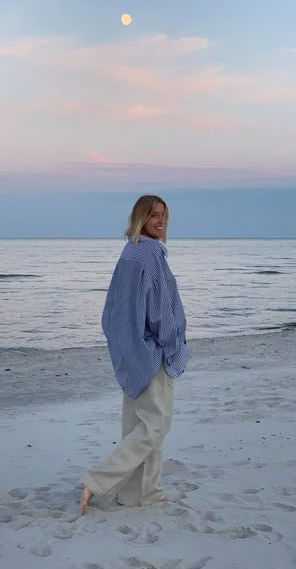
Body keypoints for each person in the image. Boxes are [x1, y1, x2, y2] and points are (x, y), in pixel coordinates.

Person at [80, 195, 190, 514]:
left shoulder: (129, 253)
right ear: (138, 217)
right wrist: (171, 346)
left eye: (163, 216)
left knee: (137, 427)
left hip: (131, 354)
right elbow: (160, 312)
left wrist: (125, 346)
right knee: (155, 426)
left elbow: (111, 312)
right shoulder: (151, 254)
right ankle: (97, 480)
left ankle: (139, 494)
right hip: (150, 353)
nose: (160, 221)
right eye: (153, 215)